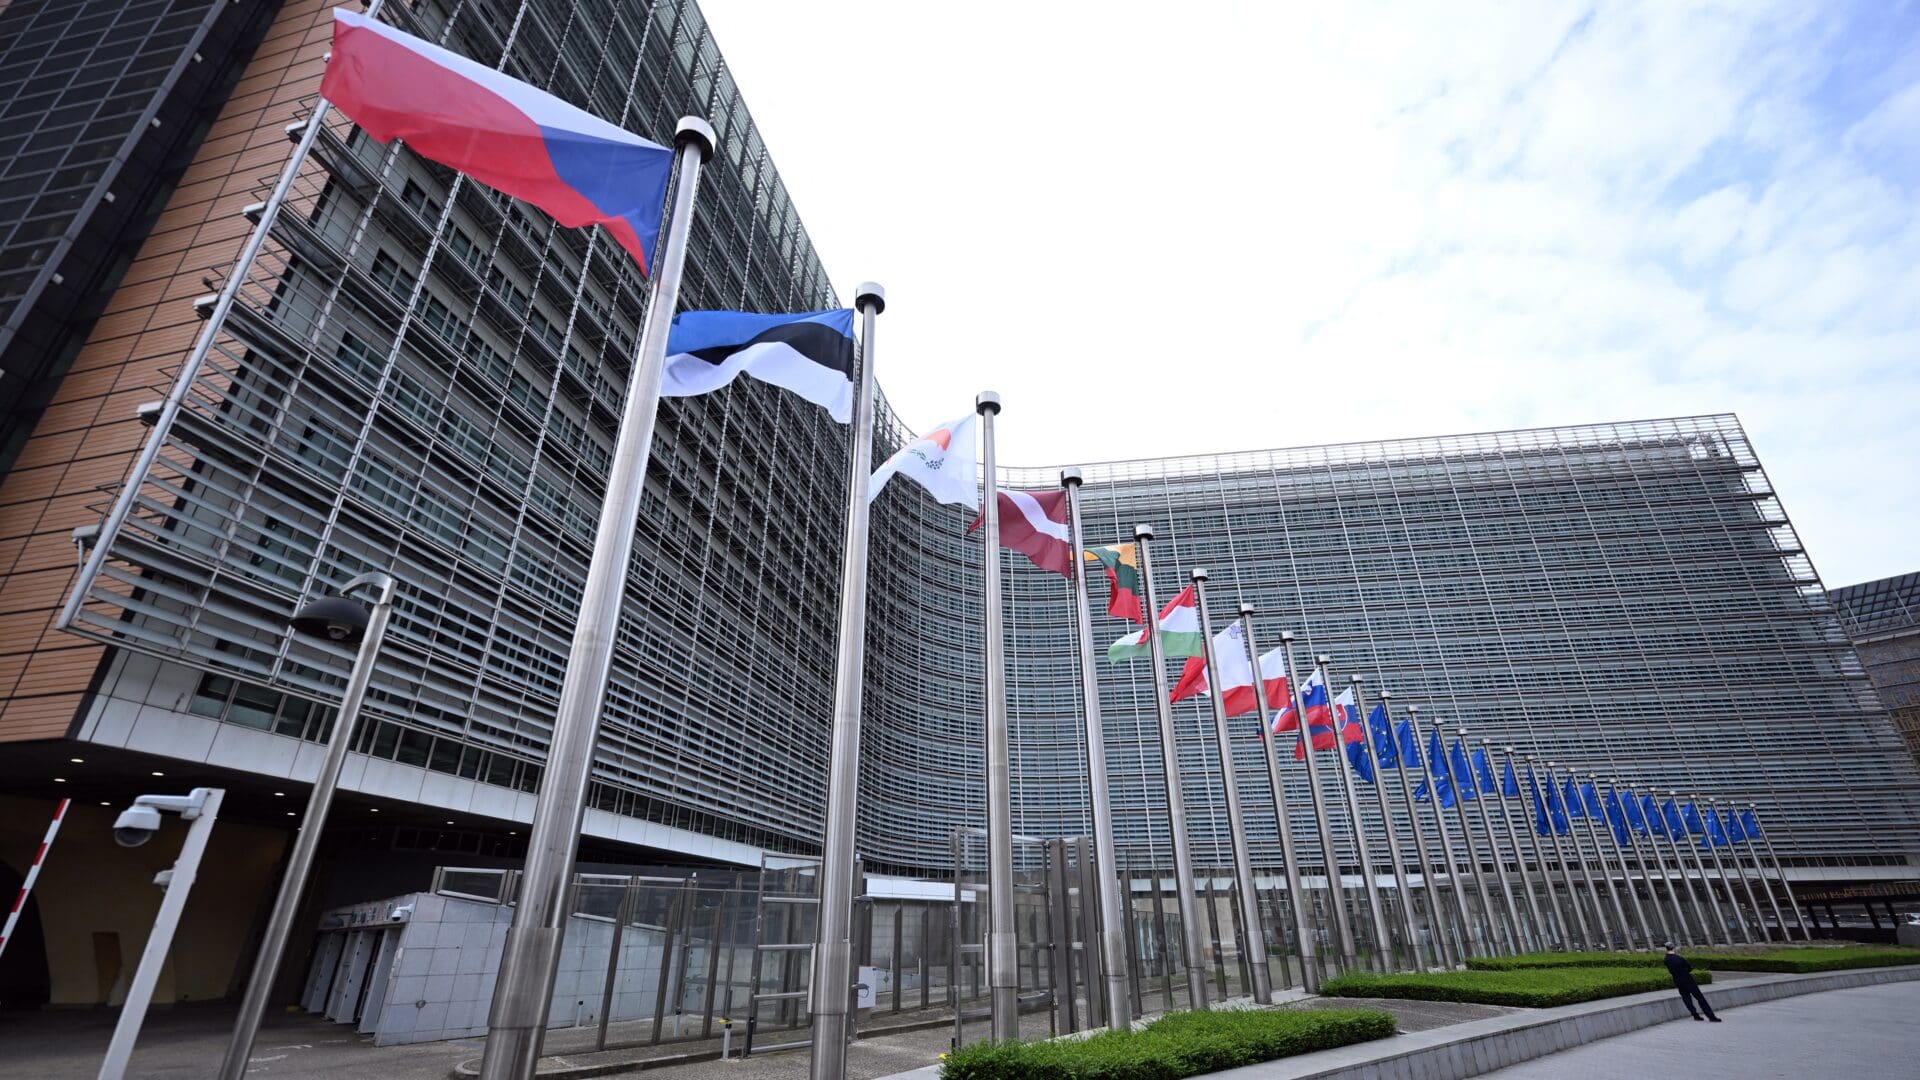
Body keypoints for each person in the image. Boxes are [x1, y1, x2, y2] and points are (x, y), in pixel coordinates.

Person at [1664, 942, 1720, 1022]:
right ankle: (1711, 1016)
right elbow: (1689, 968)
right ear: (1673, 947)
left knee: (1686, 998)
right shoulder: (1679, 958)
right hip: (1688, 979)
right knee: (1700, 998)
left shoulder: (1666, 959)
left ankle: (1695, 1015)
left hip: (1678, 981)